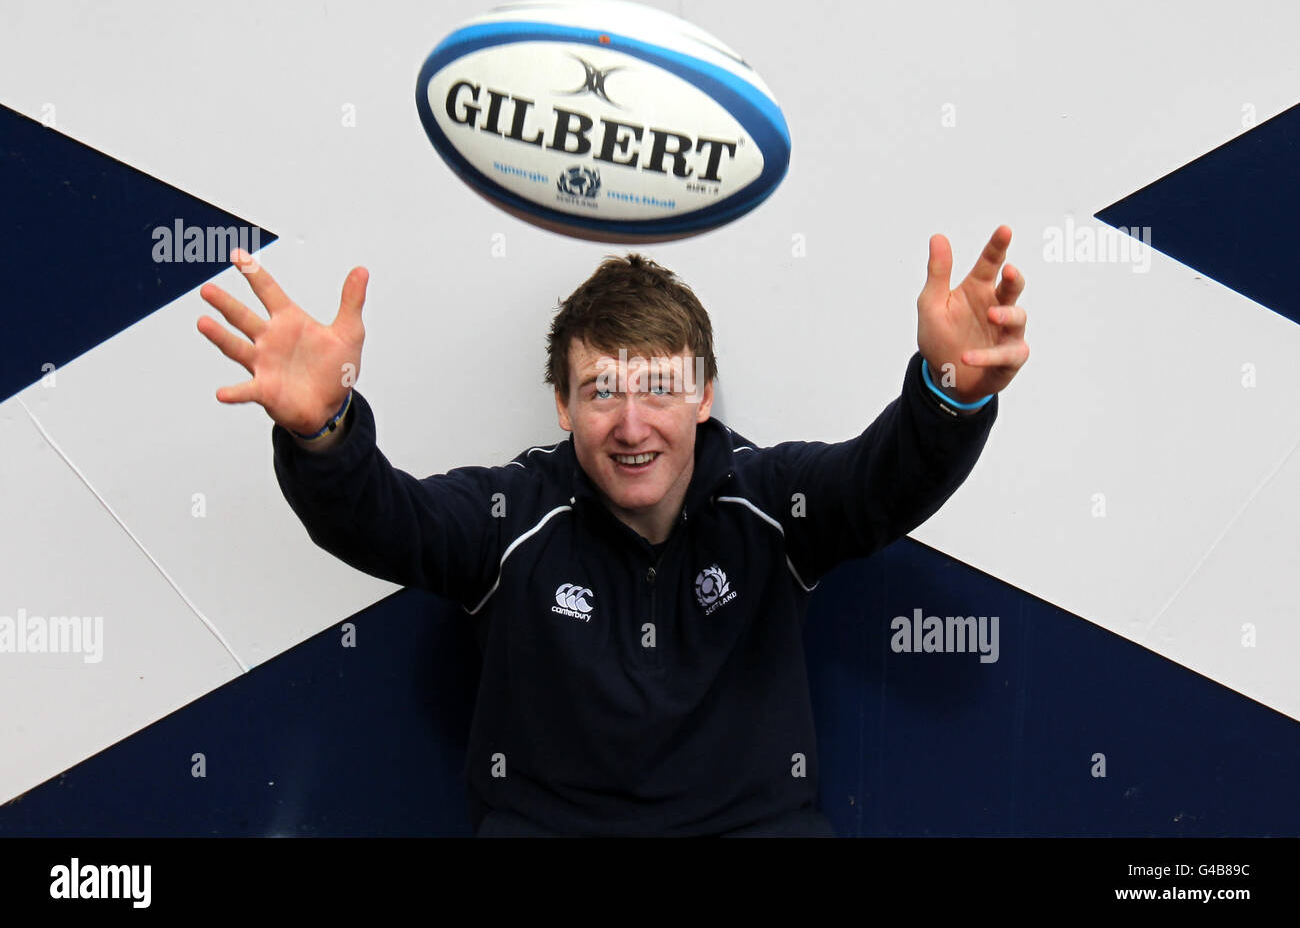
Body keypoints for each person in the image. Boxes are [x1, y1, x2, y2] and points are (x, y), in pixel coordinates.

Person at [196, 226, 1029, 837]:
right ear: (563, 406)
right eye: (601, 391)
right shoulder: (510, 517)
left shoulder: (776, 503)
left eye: (660, 387)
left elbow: (888, 478)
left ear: (704, 395)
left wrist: (948, 392)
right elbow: (383, 521)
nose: (632, 425)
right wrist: (323, 431)